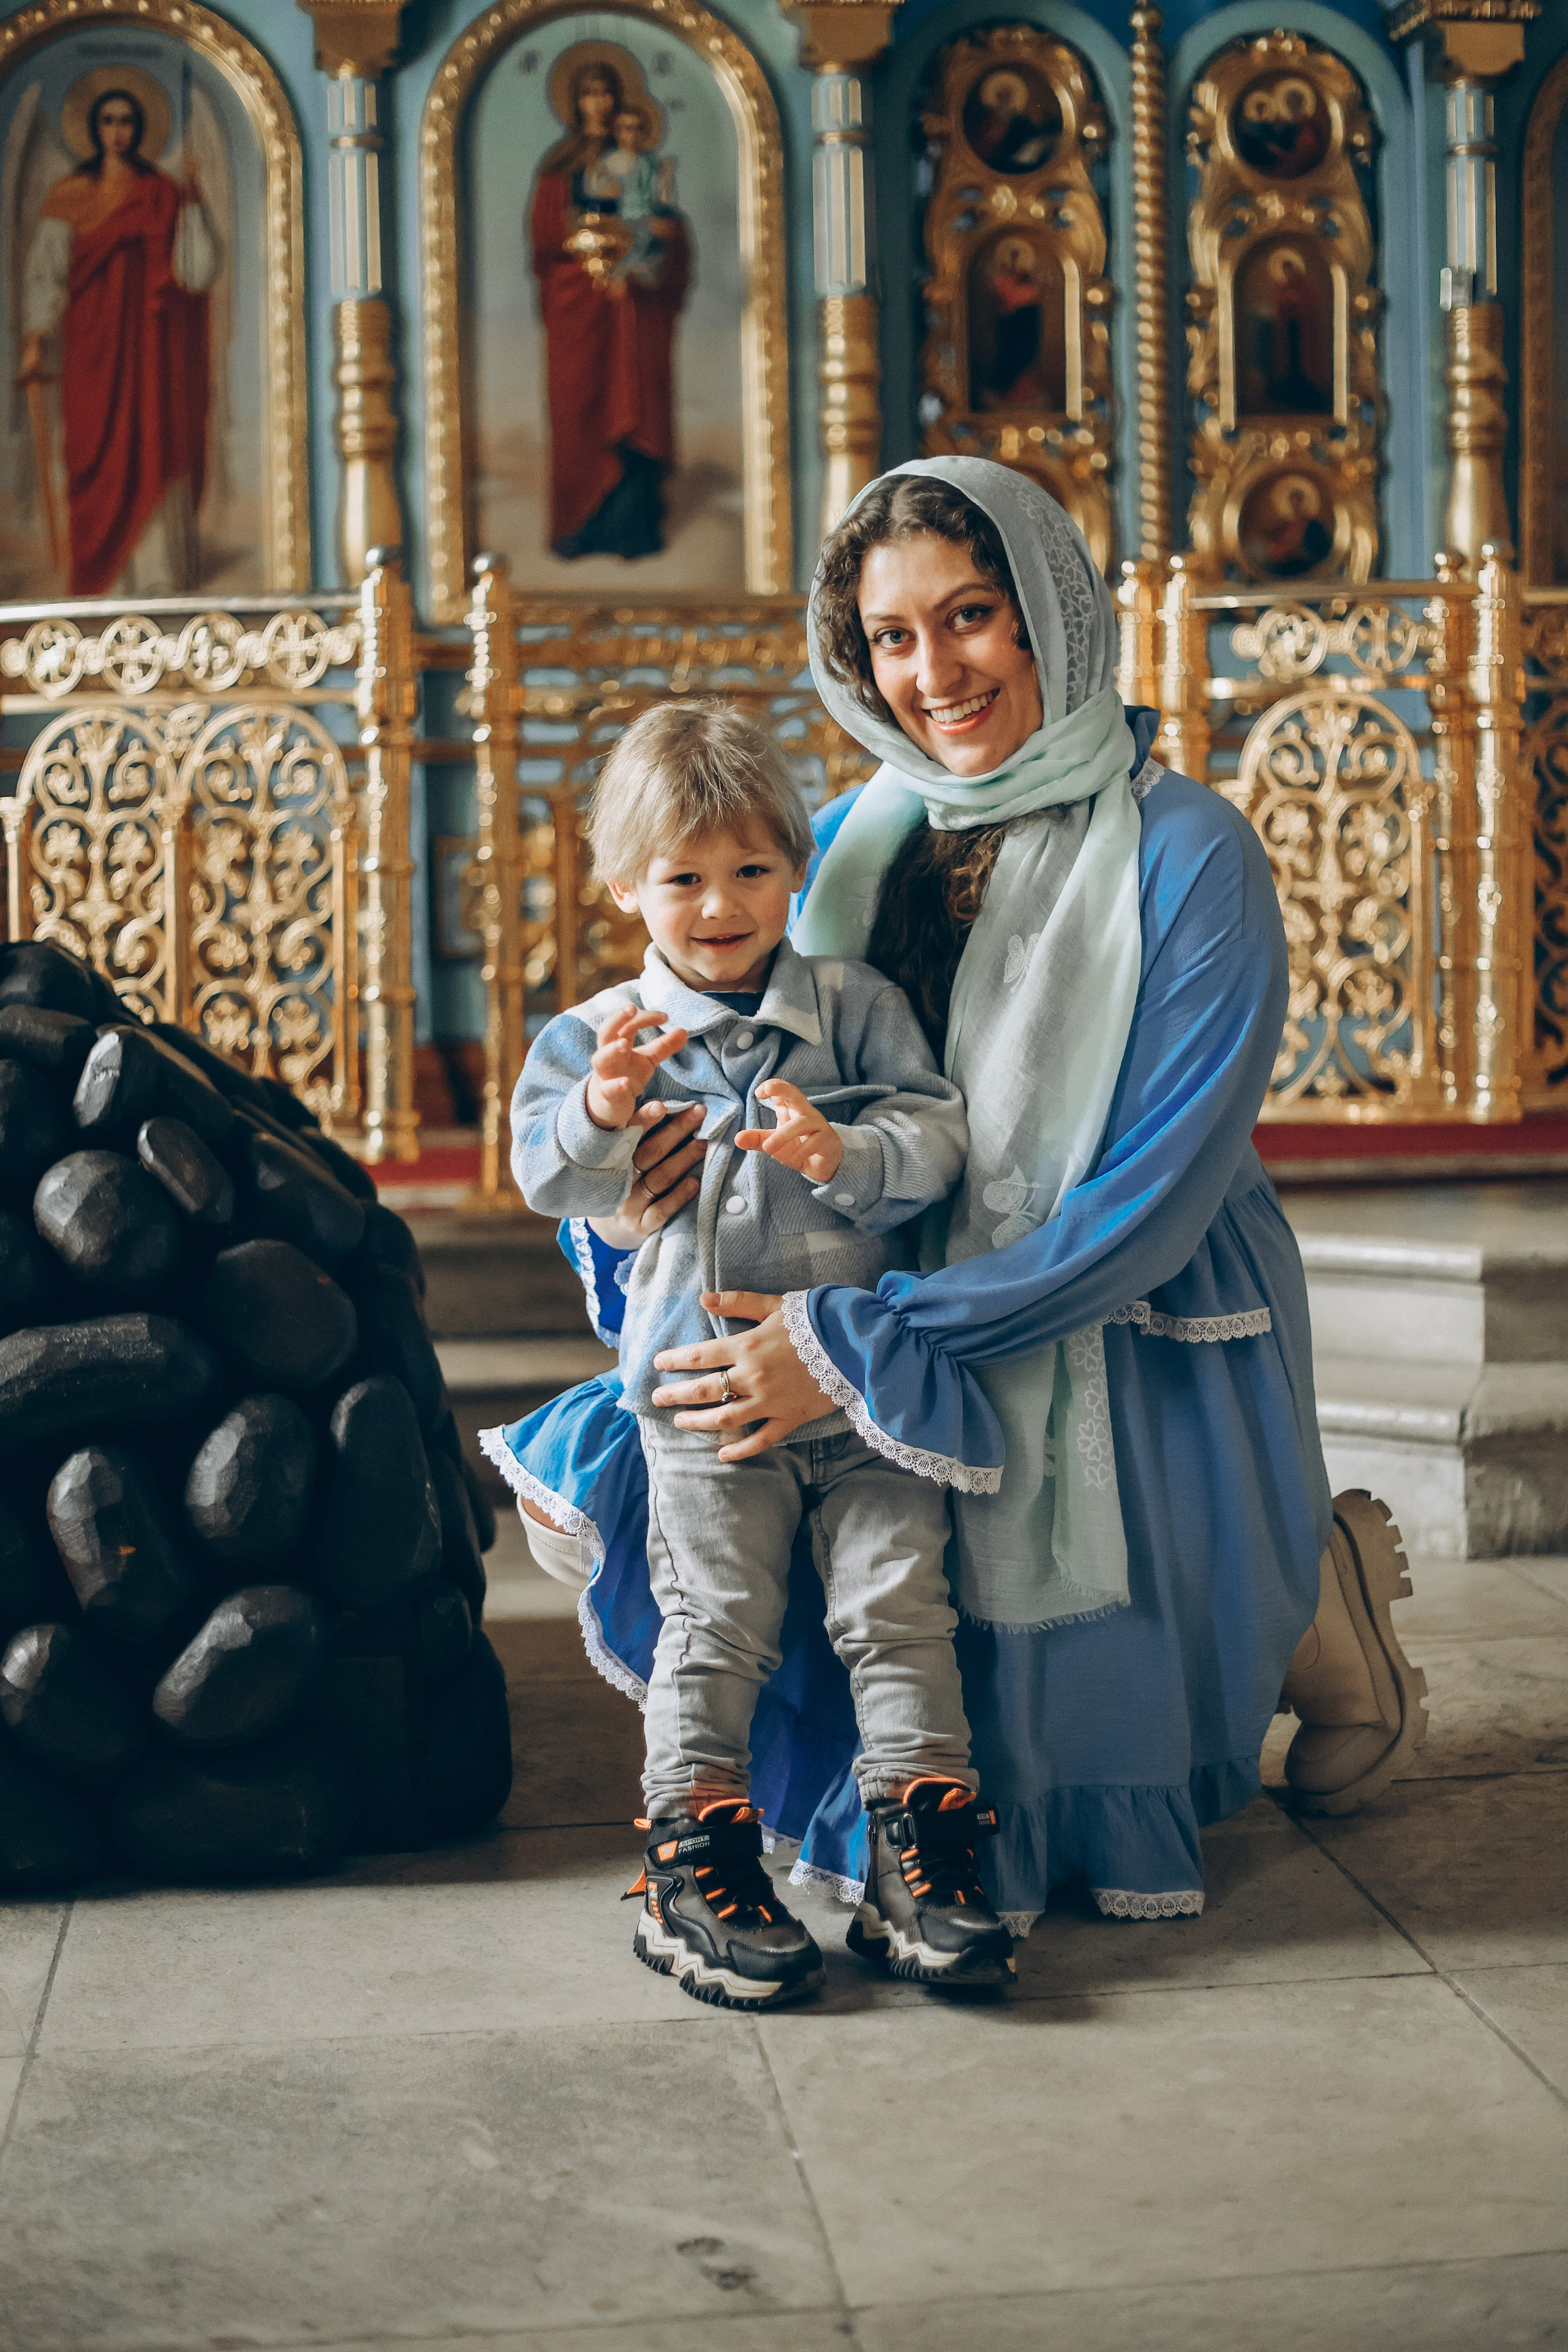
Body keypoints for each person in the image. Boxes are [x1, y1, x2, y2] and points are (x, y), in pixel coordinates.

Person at [488, 457, 1427, 1936]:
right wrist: (625, 1196)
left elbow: (1146, 1206)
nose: (932, 672)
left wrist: (852, 1353)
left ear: (1051, 611)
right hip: (873, 1276)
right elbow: (721, 1099)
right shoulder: (845, 840)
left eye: (971, 614)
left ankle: (1302, 1586)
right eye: (891, 636)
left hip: (1120, 1296)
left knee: (1030, 1712)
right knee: (661, 1490)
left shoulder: (1191, 855)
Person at [505, 700, 1015, 2005]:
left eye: (749, 870)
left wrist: (843, 1152)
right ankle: (694, 1860)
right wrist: (605, 1109)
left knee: (900, 1612)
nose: (720, 905)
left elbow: (937, 1136)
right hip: (700, 1405)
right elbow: (545, 1173)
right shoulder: (598, 1035)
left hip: (860, 1388)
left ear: (796, 868)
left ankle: (920, 1861)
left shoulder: (854, 1007)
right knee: (716, 1621)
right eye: (682, 878)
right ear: (625, 887)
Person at [18, 85, 216, 596]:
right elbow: (47, 272)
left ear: (140, 128)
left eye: (126, 121)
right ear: (93, 128)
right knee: (92, 447)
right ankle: (102, 579)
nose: (116, 131)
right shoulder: (69, 193)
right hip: (91, 343)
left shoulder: (163, 192)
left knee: (151, 444)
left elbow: (197, 272)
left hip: (151, 348)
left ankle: (154, 575)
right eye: (107, 120)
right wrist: (37, 335)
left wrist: (194, 199)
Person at [529, 60, 688, 562]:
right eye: (589, 93)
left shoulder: (644, 164)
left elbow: (667, 226)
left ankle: (634, 527)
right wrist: (594, 253)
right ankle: (581, 522)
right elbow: (546, 240)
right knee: (582, 408)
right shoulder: (561, 166)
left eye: (606, 93)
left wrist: (653, 242)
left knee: (638, 404)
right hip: (581, 308)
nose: (598, 103)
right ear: (575, 103)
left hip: (636, 307)